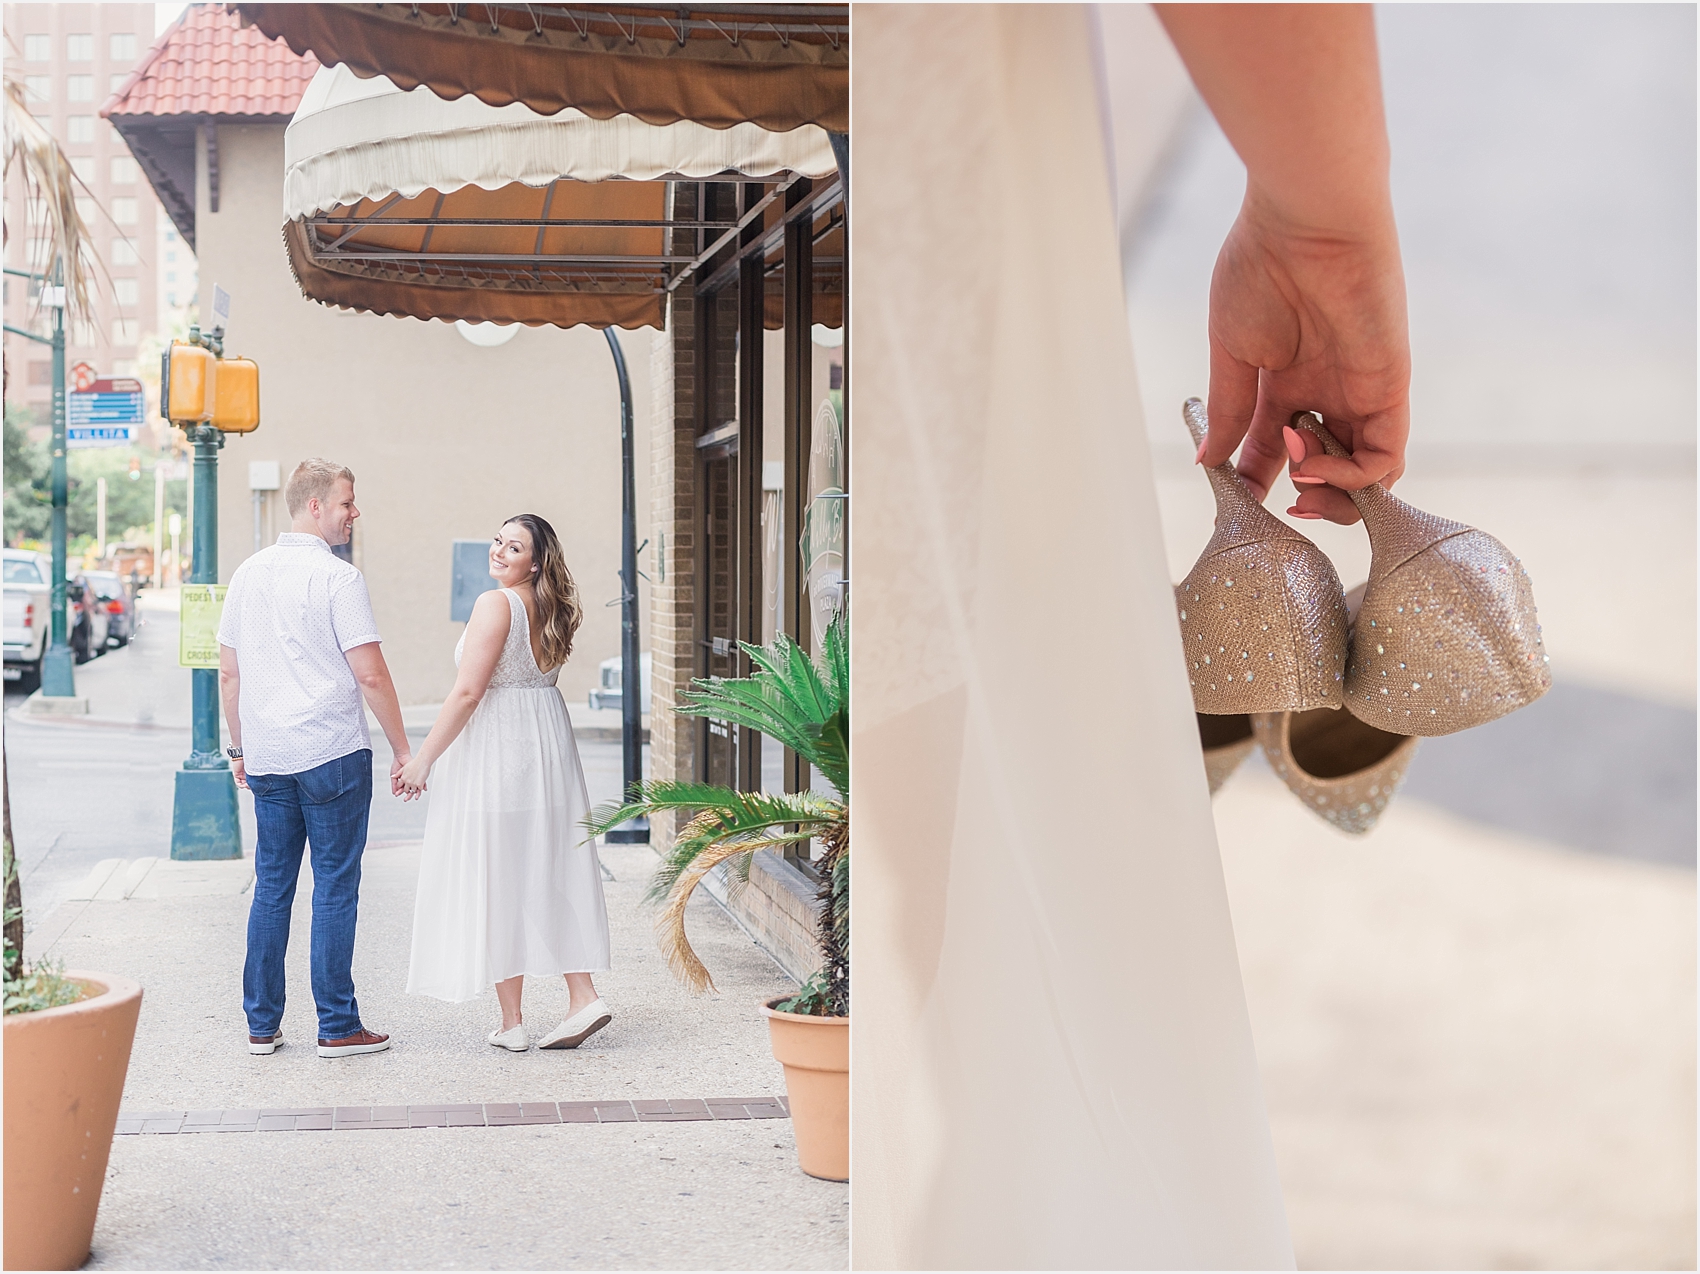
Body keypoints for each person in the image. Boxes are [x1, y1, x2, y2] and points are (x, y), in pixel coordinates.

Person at [851, 5, 1408, 1267]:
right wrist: (1322, 212)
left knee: (949, 995)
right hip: (945, 204)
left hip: (876, 192)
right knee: (1012, 1005)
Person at [218, 458, 412, 1059]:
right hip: (331, 752)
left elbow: (229, 672)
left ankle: (261, 1025)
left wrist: (239, 749)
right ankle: (336, 1026)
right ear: (314, 506)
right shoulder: (338, 579)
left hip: (271, 755)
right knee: (333, 887)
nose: (355, 513)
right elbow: (372, 674)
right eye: (347, 502)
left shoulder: (248, 573)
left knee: (272, 886)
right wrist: (405, 748)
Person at [398, 514, 611, 1052]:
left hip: (500, 756)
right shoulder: (551, 608)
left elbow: (468, 693)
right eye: (498, 540)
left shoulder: (497, 604)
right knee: (540, 871)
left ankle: (522, 1019)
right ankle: (572, 997)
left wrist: (423, 759)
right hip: (543, 748)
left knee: (497, 877)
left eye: (513, 547)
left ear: (534, 562)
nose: (498, 551)